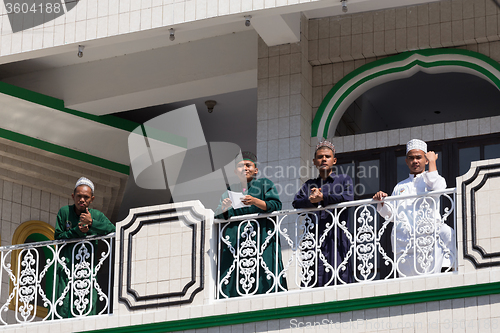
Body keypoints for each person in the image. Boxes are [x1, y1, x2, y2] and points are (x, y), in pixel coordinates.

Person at [373, 139, 455, 277]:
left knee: (447, 233)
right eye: (411, 158)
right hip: (406, 243)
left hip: (430, 240)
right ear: (406, 161)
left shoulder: (433, 179)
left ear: (426, 160)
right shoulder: (400, 187)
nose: (415, 161)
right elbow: (391, 215)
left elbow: (436, 188)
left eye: (419, 157)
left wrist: (433, 162)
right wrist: (382, 201)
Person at [214, 152, 287, 297]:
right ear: (235, 171)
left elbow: (276, 205)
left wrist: (255, 201)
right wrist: (224, 207)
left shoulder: (264, 184)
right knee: (235, 275)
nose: (245, 168)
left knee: (263, 270)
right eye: (240, 166)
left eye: (248, 165)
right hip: (236, 242)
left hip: (261, 238)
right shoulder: (229, 192)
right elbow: (218, 215)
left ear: (256, 170)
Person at [292, 140, 354, 286]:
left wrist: (324, 197)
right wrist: (311, 200)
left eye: (327, 156)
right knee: (314, 277)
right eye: (320, 157)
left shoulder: (343, 179)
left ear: (334, 160)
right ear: (314, 161)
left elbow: (348, 197)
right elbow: (296, 202)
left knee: (340, 275)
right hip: (314, 237)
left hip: (337, 235)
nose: (324, 159)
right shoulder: (309, 184)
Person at [54, 177, 116, 318]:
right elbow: (58, 237)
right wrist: (77, 230)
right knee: (63, 299)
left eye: (86, 197)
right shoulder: (64, 212)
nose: (82, 200)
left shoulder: (96, 215)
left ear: (92, 199)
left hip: (87, 267)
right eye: (79, 196)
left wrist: (92, 223)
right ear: (73, 196)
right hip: (66, 265)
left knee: (88, 298)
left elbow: (112, 229)